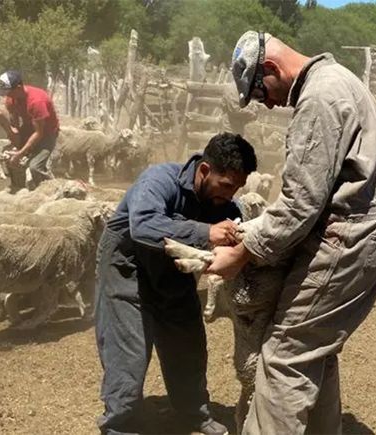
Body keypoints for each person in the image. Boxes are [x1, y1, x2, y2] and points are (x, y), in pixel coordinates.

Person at [207, 31, 376, 434]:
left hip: (345, 240)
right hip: (371, 233)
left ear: (272, 70)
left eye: (262, 94)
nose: (268, 104)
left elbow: (300, 205)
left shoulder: (318, 99)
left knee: (283, 357)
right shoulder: (344, 80)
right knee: (316, 349)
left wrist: (242, 253)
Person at [94, 132, 257, 435]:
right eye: (226, 185)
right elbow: (142, 226)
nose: (231, 194)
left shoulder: (225, 205)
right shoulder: (158, 181)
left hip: (174, 275)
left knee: (189, 347)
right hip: (128, 270)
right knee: (128, 352)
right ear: (205, 171)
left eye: (237, 187)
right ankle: (119, 424)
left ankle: (193, 413)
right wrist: (207, 233)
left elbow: (235, 237)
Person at [0, 70, 59, 191]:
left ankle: (49, 190)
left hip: (47, 133)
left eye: (9, 91)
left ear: (19, 87)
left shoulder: (37, 101)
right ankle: (20, 188)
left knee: (35, 167)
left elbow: (39, 133)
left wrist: (20, 153)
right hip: (28, 128)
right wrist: (16, 143)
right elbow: (14, 122)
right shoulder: (11, 99)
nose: (6, 95)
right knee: (9, 157)